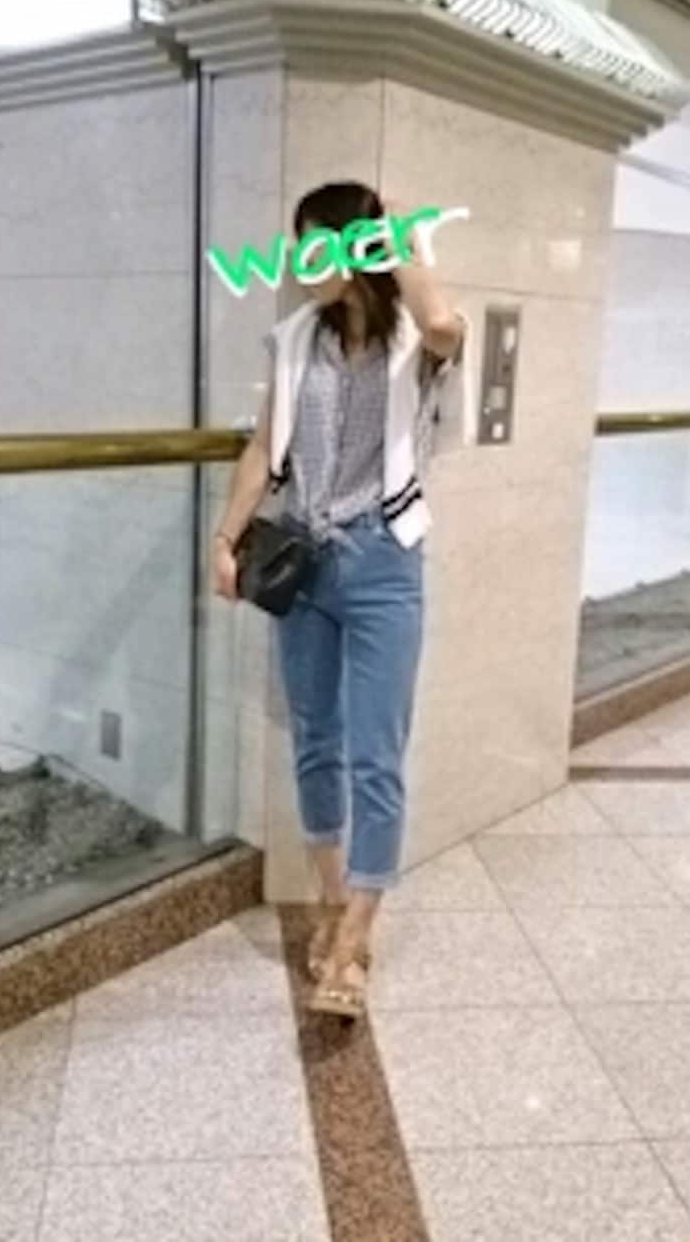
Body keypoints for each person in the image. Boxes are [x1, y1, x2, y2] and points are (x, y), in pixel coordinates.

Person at [213, 181, 466, 1018]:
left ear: (360, 251)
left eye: (319, 246)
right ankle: (331, 897)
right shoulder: (295, 337)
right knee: (316, 742)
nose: (302, 263)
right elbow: (264, 447)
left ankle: (356, 937)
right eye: (298, 247)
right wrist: (225, 537)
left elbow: (442, 324)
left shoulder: (414, 337)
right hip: (305, 562)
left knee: (376, 754)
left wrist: (402, 244)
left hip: (385, 563)